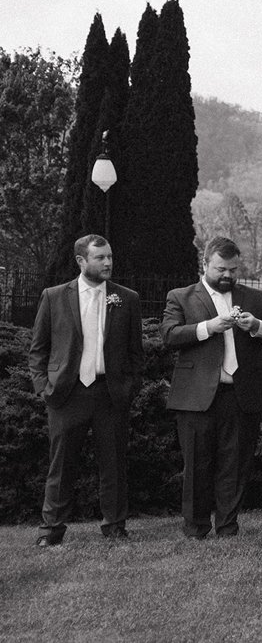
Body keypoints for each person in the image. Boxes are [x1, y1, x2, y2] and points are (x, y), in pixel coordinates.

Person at [29, 234, 143, 546]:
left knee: (114, 466)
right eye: (100, 258)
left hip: (110, 394)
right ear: (81, 261)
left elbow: (136, 353)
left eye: (109, 256)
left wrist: (129, 387)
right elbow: (38, 350)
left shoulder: (125, 298)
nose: (108, 263)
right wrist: (44, 389)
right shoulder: (54, 296)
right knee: (61, 466)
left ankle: (115, 528)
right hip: (66, 395)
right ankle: (51, 531)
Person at [160, 237, 262, 539]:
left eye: (233, 269)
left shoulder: (255, 297)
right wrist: (208, 327)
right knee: (196, 465)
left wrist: (257, 326)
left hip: (242, 393)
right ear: (205, 264)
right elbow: (169, 335)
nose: (228, 275)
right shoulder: (181, 297)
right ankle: (195, 527)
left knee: (235, 465)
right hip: (196, 396)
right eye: (221, 269)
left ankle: (227, 526)